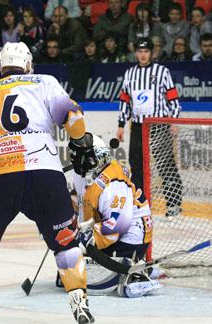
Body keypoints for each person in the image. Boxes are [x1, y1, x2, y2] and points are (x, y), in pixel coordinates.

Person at [0, 42, 96, 324]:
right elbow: (73, 117)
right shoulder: (44, 81)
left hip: (0, 178)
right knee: (65, 243)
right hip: (45, 175)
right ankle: (80, 303)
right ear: (28, 63)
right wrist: (81, 144)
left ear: (1, 66)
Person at [61, 135, 161, 298]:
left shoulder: (113, 182)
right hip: (111, 231)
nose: (75, 160)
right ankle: (134, 267)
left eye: (79, 157)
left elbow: (118, 226)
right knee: (68, 264)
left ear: (93, 157)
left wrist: (88, 239)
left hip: (131, 237)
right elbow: (80, 201)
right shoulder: (87, 174)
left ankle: (135, 271)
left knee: (80, 273)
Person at [115, 37, 183, 218]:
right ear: (136, 53)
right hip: (138, 126)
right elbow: (125, 100)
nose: (143, 55)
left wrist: (174, 120)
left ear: (152, 53)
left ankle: (174, 203)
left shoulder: (162, 72)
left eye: (146, 51)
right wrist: (121, 124)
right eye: (140, 51)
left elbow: (173, 99)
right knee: (136, 164)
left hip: (159, 124)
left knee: (165, 163)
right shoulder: (130, 73)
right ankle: (140, 202)